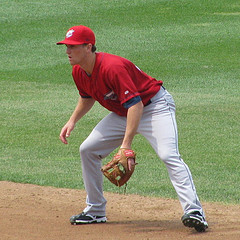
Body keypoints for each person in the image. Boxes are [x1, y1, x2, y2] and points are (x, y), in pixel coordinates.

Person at [57, 25, 208, 232]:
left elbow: (136, 104)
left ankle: (194, 211)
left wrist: (125, 145)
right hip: (124, 112)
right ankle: (95, 210)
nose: (67, 51)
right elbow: (87, 97)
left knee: (168, 155)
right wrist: (72, 120)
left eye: (72, 47)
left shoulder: (112, 67)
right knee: (88, 149)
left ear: (88, 47)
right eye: (66, 46)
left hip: (155, 108)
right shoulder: (79, 71)